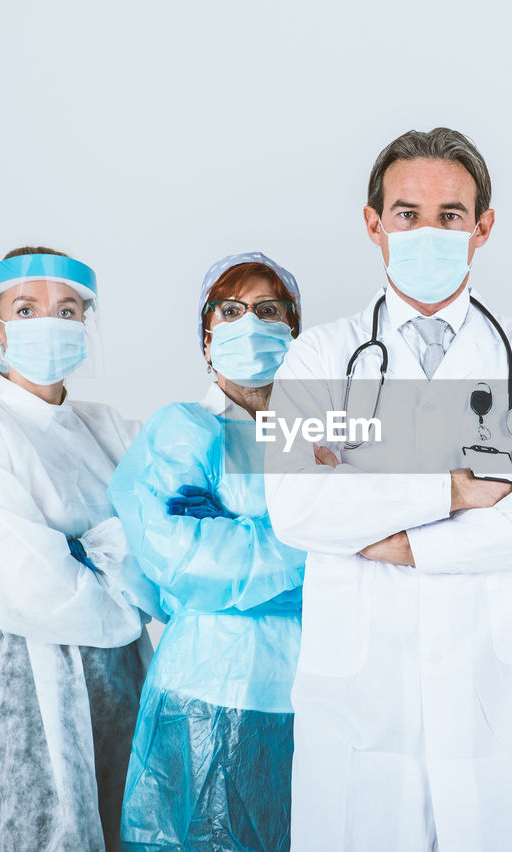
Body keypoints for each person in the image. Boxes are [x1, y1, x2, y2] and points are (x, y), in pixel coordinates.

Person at [262, 128, 512, 851]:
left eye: (451, 215)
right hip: (365, 697)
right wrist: (450, 489)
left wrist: (404, 542)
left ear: (482, 227)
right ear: (373, 223)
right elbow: (296, 506)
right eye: (407, 213)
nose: (427, 232)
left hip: (500, 687)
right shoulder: (319, 355)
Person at [0, 247, 160, 850]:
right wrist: (122, 563)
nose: (48, 323)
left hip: (118, 680)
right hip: (17, 681)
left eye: (67, 309)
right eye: (26, 309)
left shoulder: (107, 427)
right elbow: (34, 586)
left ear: (86, 321)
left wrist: (93, 553)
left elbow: (168, 527)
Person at [111, 252, 308, 851]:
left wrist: (236, 529)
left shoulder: (326, 434)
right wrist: (318, 542)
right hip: (206, 686)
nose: (250, 322)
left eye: (268, 310)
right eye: (231, 310)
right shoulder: (180, 430)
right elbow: (184, 564)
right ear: (206, 338)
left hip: (312, 684)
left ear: (294, 334)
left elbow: (380, 539)